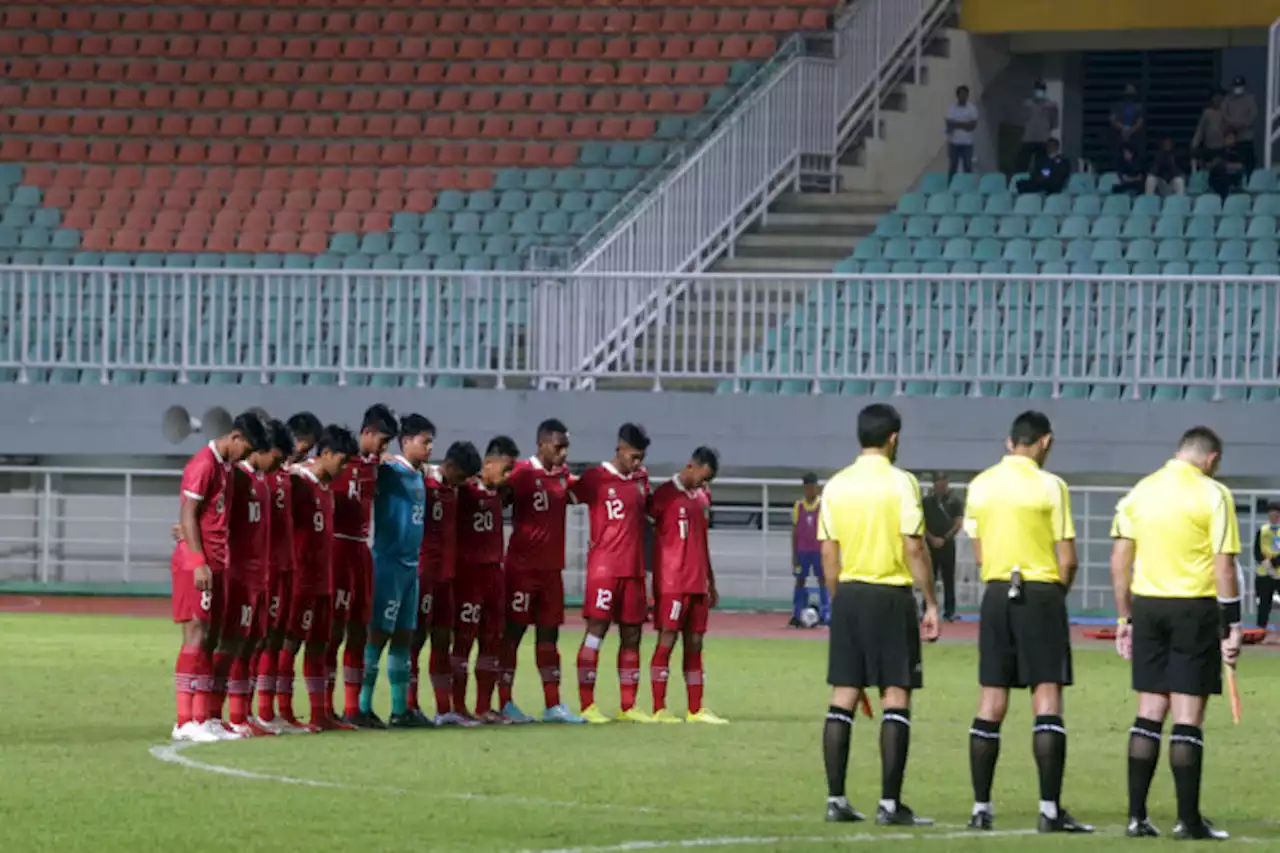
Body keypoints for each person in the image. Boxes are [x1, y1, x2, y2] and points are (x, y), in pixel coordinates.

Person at [962, 412, 1092, 834]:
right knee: (1047, 697)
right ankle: (1050, 810)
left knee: (991, 701)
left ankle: (981, 808)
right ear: (1045, 441)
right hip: (1041, 592)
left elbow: (979, 554)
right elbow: (1067, 558)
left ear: (1009, 441)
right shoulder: (1051, 486)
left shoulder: (980, 484)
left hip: (997, 592)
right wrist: (1054, 595)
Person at [1110, 426, 1242, 841]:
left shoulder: (1141, 491)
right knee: (1188, 717)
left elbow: (1119, 561)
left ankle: (1136, 817)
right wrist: (1232, 625)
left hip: (1148, 606)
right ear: (1212, 459)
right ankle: (1188, 820)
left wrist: (1124, 618)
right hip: (1194, 609)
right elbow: (1224, 566)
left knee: (1149, 710)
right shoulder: (1214, 494)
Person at [820, 404, 940, 826]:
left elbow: (828, 551)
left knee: (844, 696)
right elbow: (913, 546)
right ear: (893, 438)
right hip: (890, 595)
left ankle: (836, 799)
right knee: (896, 695)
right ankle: (890, 804)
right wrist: (930, 601)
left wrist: (838, 601)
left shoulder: (836, 485)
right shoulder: (902, 483)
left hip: (849, 594)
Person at [169, 411, 268, 743]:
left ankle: (204, 716)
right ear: (235, 438)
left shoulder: (225, 467)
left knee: (211, 638)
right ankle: (185, 720)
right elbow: (188, 512)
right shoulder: (205, 464)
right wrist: (198, 560)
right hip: (198, 563)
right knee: (196, 634)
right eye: (247, 448)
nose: (247, 456)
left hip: (218, 563)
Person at [500, 419, 585, 724]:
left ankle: (553, 705)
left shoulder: (563, 477)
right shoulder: (521, 472)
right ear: (542, 444)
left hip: (551, 572)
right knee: (512, 634)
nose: (563, 453)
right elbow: (496, 497)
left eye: (566, 447)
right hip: (522, 569)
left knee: (549, 637)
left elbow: (587, 493)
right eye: (558, 447)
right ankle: (504, 702)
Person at [352, 414, 434, 728]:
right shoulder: (388, 471)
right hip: (387, 564)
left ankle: (400, 711)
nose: (429, 447)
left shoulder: (419, 473)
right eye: (424, 441)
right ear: (407, 441)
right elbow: (363, 463)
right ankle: (361, 707)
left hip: (412, 568)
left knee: (404, 638)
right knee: (377, 637)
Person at [571, 422, 653, 724]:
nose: (637, 462)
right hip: (604, 570)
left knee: (632, 635)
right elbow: (561, 497)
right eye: (633, 456)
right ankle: (587, 705)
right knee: (596, 633)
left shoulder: (642, 479)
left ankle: (628, 705)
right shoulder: (595, 478)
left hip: (633, 571)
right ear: (619, 448)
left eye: (641, 457)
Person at [281, 425, 356, 733]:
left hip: (324, 578)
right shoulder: (298, 480)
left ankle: (319, 713)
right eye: (342, 461)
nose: (344, 469)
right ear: (325, 454)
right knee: (290, 642)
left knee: (320, 644)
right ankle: (280, 711)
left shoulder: (326, 487)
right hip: (301, 579)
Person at [217, 423, 289, 738]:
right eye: (276, 456)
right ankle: (224, 715)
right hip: (240, 575)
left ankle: (243, 715)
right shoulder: (237, 478)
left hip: (262, 575)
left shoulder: (262, 481)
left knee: (254, 643)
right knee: (236, 643)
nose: (280, 464)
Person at [649, 446, 726, 724]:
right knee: (667, 639)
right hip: (672, 582)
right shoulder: (663, 496)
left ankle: (696, 709)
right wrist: (650, 579)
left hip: (698, 582)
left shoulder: (703, 498)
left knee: (695, 643)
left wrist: (711, 581)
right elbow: (648, 539)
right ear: (691, 465)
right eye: (703, 476)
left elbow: (703, 542)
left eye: (708, 480)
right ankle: (659, 708)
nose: (704, 484)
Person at [330, 404, 397, 725]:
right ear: (366, 433)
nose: (385, 448)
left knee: (360, 631)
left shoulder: (376, 465)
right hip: (337, 548)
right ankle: (322, 708)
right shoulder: (338, 461)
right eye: (382, 441)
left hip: (362, 552)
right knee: (332, 632)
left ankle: (354, 709)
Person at [410, 440, 481, 726]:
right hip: (425, 573)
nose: (464, 482)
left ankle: (443, 709)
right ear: (450, 466)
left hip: (446, 577)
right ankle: (409, 705)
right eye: (462, 475)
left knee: (442, 640)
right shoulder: (425, 484)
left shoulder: (455, 489)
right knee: (416, 640)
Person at [452, 435, 520, 723]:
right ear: (488, 464)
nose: (508, 477)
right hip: (470, 576)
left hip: (495, 575)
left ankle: (483, 707)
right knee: (464, 641)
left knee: (492, 640)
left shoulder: (498, 493)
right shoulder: (465, 489)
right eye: (505, 470)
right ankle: (457, 707)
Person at [253, 419, 302, 734]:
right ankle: (256, 711)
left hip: (286, 568)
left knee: (278, 639)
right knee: (259, 639)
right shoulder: (258, 479)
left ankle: (273, 711)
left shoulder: (285, 477)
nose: (285, 463)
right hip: (265, 568)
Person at [922, 472, 963, 622]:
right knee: (928, 577)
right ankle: (927, 609)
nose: (941, 486)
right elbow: (921, 523)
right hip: (929, 545)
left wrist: (944, 538)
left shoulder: (954, 501)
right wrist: (931, 538)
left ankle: (949, 612)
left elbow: (958, 523)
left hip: (948, 545)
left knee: (948, 578)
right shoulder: (926, 502)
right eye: (938, 483)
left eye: (943, 483)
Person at [791, 473, 827, 627]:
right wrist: (794, 554)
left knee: (823, 580)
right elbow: (794, 531)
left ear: (816, 487)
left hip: (819, 549)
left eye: (812, 487)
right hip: (803, 550)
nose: (809, 490)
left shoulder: (823, 506)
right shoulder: (798, 506)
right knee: (800, 580)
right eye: (807, 487)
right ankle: (797, 613)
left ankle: (826, 614)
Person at [1251, 501, 1280, 630]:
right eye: (1270, 515)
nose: (1273, 518)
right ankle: (1260, 630)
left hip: (1278, 572)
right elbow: (1256, 550)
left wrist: (1274, 563)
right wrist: (1265, 563)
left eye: (1276, 515)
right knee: (1263, 604)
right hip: (1264, 573)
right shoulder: (1262, 530)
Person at [1019, 81, 1059, 173]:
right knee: (1022, 164)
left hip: (1043, 139)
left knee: (1041, 164)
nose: (1039, 92)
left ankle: (1042, 180)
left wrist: (1051, 111)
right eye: (1037, 89)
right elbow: (1020, 120)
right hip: (1028, 138)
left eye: (1041, 89)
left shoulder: (1051, 106)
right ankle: (1020, 180)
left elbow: (1055, 124)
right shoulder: (1027, 104)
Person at [1223, 75, 1258, 175]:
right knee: (1230, 162)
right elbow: (1224, 114)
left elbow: (1253, 115)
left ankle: (1248, 181)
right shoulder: (1228, 100)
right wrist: (1232, 123)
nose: (1237, 88)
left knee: (1248, 162)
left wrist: (1242, 124)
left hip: (1246, 137)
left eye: (1239, 86)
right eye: (1236, 86)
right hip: (1231, 138)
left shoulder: (1250, 99)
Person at [1109, 82, 1146, 172]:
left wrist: (1131, 130)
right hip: (1119, 137)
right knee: (1118, 158)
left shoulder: (1139, 107)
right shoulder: (1117, 106)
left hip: (1135, 137)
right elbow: (1112, 119)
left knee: (1135, 160)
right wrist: (1123, 128)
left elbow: (1140, 121)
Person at [945, 85, 979, 177]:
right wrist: (964, 124)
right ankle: (950, 187)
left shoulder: (972, 108)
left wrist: (956, 124)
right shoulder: (952, 108)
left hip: (967, 143)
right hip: (954, 142)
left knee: (968, 166)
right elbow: (949, 124)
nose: (963, 96)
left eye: (964, 94)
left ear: (967, 95)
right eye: (961, 94)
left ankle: (968, 187)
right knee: (953, 167)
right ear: (957, 95)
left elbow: (972, 126)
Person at [1191, 91, 1226, 167]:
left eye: (1219, 98)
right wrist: (1195, 143)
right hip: (1209, 147)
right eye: (1215, 98)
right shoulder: (1207, 113)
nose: (1217, 100)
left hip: (1222, 147)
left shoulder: (1225, 113)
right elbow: (1200, 130)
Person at [1207, 132, 1245, 200]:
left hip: (1232, 177)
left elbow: (1240, 166)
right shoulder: (1220, 152)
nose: (1230, 140)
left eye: (1231, 138)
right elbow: (1210, 165)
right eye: (1228, 138)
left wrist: (1226, 165)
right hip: (1217, 178)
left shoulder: (1237, 152)